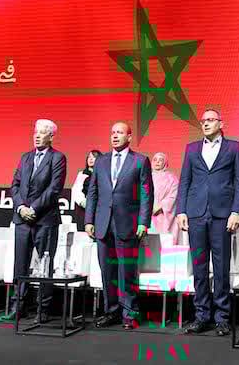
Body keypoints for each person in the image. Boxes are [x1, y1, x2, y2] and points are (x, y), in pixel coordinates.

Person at [177, 109, 239, 336]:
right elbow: (184, 181)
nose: (205, 123)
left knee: (221, 267)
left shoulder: (234, 147)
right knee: (199, 267)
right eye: (203, 121)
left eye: (210, 120)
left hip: (222, 214)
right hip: (196, 213)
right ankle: (201, 316)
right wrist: (181, 210)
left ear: (221, 123)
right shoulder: (192, 148)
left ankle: (222, 318)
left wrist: (236, 211)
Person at [85, 122, 153, 330]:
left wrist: (143, 222)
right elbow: (93, 192)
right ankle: (111, 311)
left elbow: (146, 194)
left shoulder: (140, 160)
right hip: (103, 223)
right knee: (107, 271)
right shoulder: (101, 161)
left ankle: (129, 314)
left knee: (127, 272)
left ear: (129, 137)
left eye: (120, 132)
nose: (115, 136)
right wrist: (89, 220)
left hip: (128, 224)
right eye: (112, 132)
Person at [0, 119, 67, 324]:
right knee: (20, 264)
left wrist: (34, 208)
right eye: (35, 132)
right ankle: (18, 307)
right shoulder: (26, 157)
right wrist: (21, 207)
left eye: (42, 133)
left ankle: (43, 309)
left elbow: (54, 188)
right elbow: (15, 185)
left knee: (45, 265)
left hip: (45, 219)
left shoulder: (57, 158)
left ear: (51, 136)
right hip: (22, 220)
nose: (37, 136)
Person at [150, 152, 180, 244]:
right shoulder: (146, 177)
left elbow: (174, 196)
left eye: (160, 160)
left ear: (165, 163)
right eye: (155, 160)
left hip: (163, 215)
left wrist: (160, 207)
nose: (157, 162)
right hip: (148, 215)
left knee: (164, 243)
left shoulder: (171, 178)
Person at [71, 149, 102, 222]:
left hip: (100, 210)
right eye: (89, 157)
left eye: (94, 157)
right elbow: (76, 190)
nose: (90, 159)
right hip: (84, 210)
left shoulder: (103, 174)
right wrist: (84, 203)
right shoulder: (82, 174)